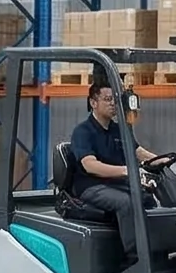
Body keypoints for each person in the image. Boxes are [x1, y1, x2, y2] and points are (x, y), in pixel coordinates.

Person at [63, 81, 166, 258]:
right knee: (126, 202)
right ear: (93, 103)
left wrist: (161, 160)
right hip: (91, 187)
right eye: (108, 99)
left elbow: (138, 151)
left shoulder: (118, 130)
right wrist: (126, 171)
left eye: (115, 100)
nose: (113, 104)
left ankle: (157, 251)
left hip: (115, 184)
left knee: (148, 199)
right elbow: (90, 165)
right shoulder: (83, 132)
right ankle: (135, 257)